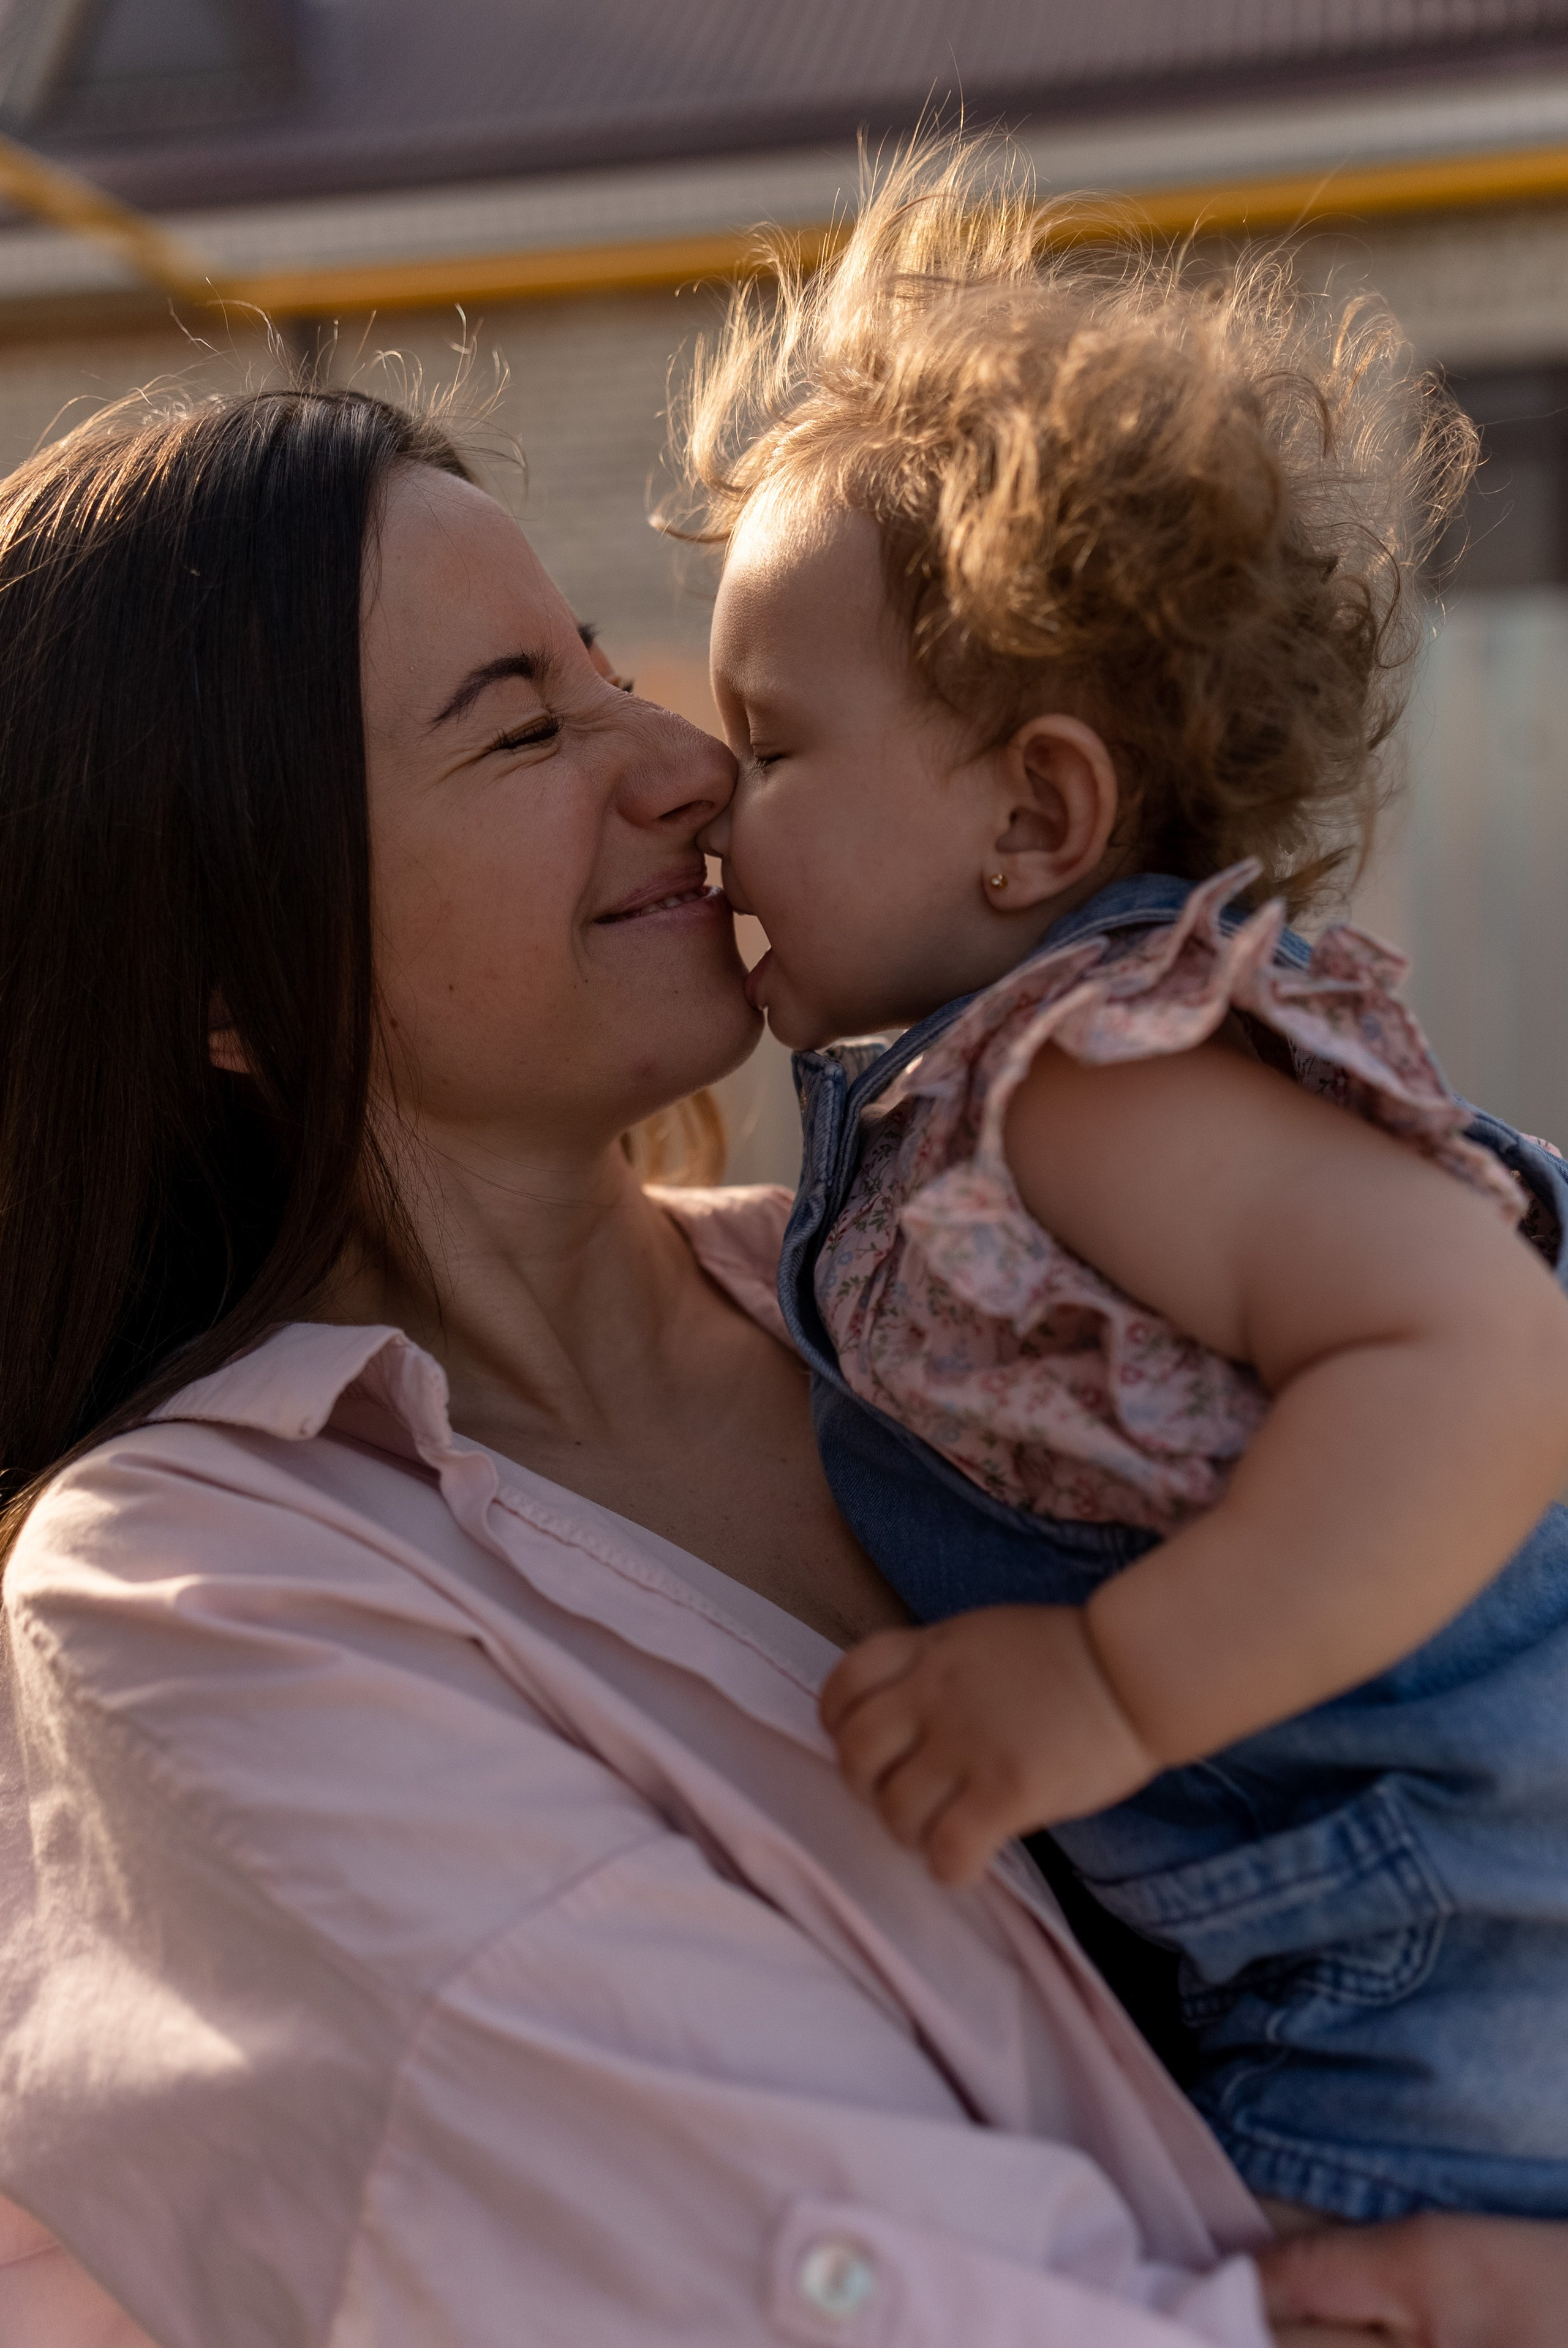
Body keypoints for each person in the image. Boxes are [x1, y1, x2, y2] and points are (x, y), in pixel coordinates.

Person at [0, 383, 1562, 2348]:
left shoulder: (982, 1272)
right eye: (522, 724)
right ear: (233, 977)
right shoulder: (198, 1600)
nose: (682, 762)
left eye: (602, 664)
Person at [684, 144, 1568, 2225]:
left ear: (1036, 814)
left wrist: (1111, 1683)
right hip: (1347, 1917)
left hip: (1453, 1929)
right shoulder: (983, 1098)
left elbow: (1486, 1352)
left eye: (770, 743)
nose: (712, 803)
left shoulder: (1085, 1079)